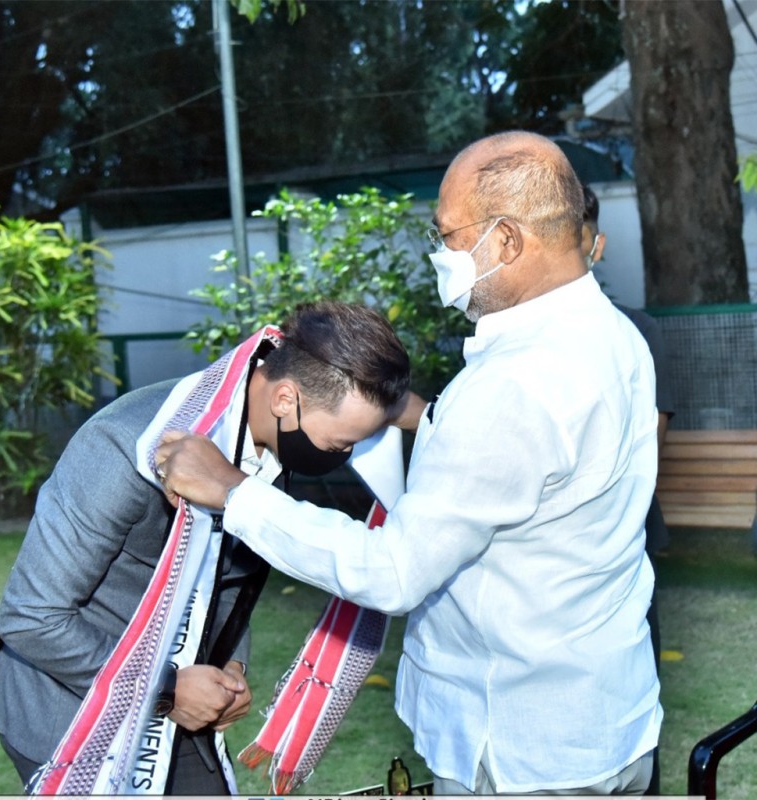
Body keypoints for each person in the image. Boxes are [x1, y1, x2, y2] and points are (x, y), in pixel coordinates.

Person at [157, 131, 663, 796]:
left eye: (448, 235)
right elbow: (535, 472)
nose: (440, 254)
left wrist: (233, 491)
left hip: (518, 749)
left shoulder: (513, 386)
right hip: (603, 718)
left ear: (506, 241)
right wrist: (427, 418)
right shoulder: (610, 334)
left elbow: (393, 571)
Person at [0, 300, 416, 795]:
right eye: (338, 445)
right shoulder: (123, 446)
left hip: (178, 694)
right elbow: (31, 616)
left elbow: (228, 570)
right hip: (69, 709)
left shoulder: (274, 435)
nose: (343, 455)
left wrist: (230, 662)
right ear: (285, 398)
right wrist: (166, 688)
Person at [582, 183, 675, 795]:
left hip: (625, 547)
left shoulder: (633, 332)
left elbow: (648, 445)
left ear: (596, 245)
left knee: (633, 705)